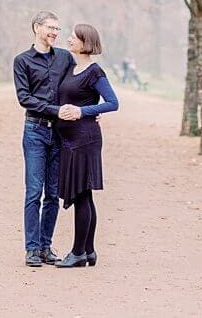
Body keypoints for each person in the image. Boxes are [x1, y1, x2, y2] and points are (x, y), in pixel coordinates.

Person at [54, 23, 119, 268]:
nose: (69, 38)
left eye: (74, 36)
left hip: (85, 139)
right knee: (85, 195)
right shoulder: (71, 68)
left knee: (82, 194)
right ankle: (89, 251)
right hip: (69, 139)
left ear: (86, 42)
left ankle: (78, 252)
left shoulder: (94, 72)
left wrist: (83, 111)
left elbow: (112, 103)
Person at [12, 10, 74, 267]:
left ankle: (46, 246)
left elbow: (76, 87)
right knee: (34, 192)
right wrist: (55, 110)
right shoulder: (22, 61)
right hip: (35, 131)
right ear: (37, 28)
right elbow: (24, 98)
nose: (55, 33)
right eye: (50, 27)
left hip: (59, 132)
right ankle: (32, 249)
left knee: (53, 193)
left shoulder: (65, 58)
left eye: (58, 29)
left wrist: (90, 110)